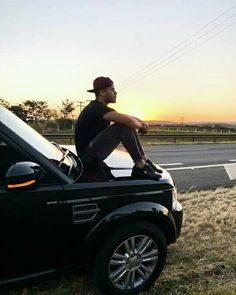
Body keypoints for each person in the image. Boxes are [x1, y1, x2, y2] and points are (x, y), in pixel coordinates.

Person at [74, 76, 162, 180]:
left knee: (125, 123)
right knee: (123, 126)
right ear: (102, 92)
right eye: (112, 90)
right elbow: (128, 121)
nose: (116, 93)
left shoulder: (100, 108)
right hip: (87, 158)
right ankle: (140, 165)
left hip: (91, 154)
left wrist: (142, 122)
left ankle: (144, 160)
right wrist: (141, 126)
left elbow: (126, 117)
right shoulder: (96, 108)